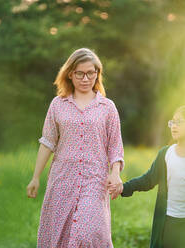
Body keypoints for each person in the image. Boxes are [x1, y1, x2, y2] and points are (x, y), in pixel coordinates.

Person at [26, 48, 124, 248]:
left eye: (91, 72)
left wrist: (115, 173)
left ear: (97, 73)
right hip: (62, 179)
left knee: (87, 233)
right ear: (70, 74)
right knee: (61, 235)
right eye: (80, 73)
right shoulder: (57, 105)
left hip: (95, 180)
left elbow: (115, 146)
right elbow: (48, 142)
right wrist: (36, 177)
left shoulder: (107, 107)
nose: (86, 78)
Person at [117, 106, 185, 248]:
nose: (173, 126)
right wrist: (124, 187)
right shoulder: (166, 153)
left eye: (179, 122)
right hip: (169, 224)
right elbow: (148, 180)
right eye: (172, 122)